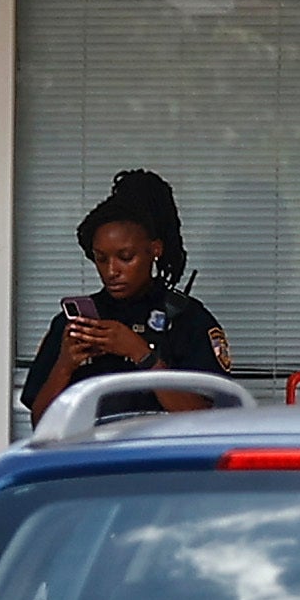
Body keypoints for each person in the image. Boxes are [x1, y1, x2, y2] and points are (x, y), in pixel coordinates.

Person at [23, 168, 239, 421]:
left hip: (163, 457)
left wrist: (143, 355)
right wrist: (65, 365)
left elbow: (208, 419)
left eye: (125, 257)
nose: (112, 270)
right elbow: (41, 421)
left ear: (154, 249)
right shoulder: (75, 323)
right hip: (90, 455)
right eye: (101, 259)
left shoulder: (186, 319)